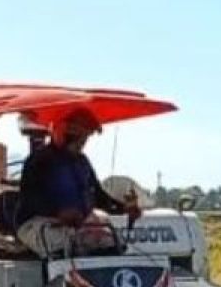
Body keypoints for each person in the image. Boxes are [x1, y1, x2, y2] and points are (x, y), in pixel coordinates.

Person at [15, 109, 141, 257]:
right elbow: (30, 199)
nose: (82, 143)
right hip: (37, 222)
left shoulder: (82, 162)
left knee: (111, 245)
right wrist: (58, 212)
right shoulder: (38, 161)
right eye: (78, 137)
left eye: (85, 138)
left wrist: (124, 208)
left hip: (77, 225)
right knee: (69, 247)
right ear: (62, 132)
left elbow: (99, 197)